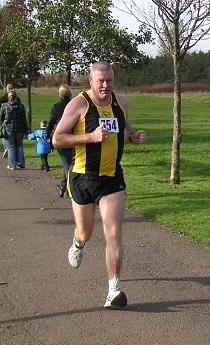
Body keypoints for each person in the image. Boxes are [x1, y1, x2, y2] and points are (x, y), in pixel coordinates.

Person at [52, 61, 146, 309]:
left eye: (109, 81)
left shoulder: (121, 103)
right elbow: (57, 138)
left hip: (112, 179)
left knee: (114, 232)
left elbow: (123, 127)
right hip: (84, 178)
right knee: (85, 232)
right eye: (100, 81)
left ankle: (113, 290)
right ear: (90, 81)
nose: (105, 85)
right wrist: (90, 137)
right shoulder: (79, 104)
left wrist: (133, 136)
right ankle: (78, 243)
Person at [46, 84, 73, 197]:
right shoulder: (74, 105)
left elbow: (51, 122)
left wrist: (47, 135)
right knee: (69, 164)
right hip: (73, 137)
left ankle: (67, 188)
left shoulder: (56, 107)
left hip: (61, 138)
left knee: (67, 164)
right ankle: (65, 187)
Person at [0, 90, 28, 170]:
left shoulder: (4, 105)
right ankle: (21, 162)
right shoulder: (21, 106)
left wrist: (3, 123)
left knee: (11, 147)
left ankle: (12, 165)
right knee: (19, 145)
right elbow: (24, 119)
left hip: (8, 128)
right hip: (20, 128)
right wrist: (26, 129)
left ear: (8, 97)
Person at [0, 83, 13, 158]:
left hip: (3, 120)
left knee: (3, 135)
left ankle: (6, 148)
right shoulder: (17, 98)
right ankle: (9, 148)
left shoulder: (2, 98)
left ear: (6, 89)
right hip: (13, 120)